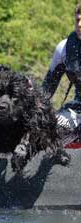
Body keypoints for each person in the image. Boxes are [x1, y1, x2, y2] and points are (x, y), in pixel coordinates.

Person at [42, 2, 81, 144]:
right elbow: (46, 89)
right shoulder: (64, 48)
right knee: (50, 128)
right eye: (78, 20)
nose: (80, 24)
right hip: (78, 108)